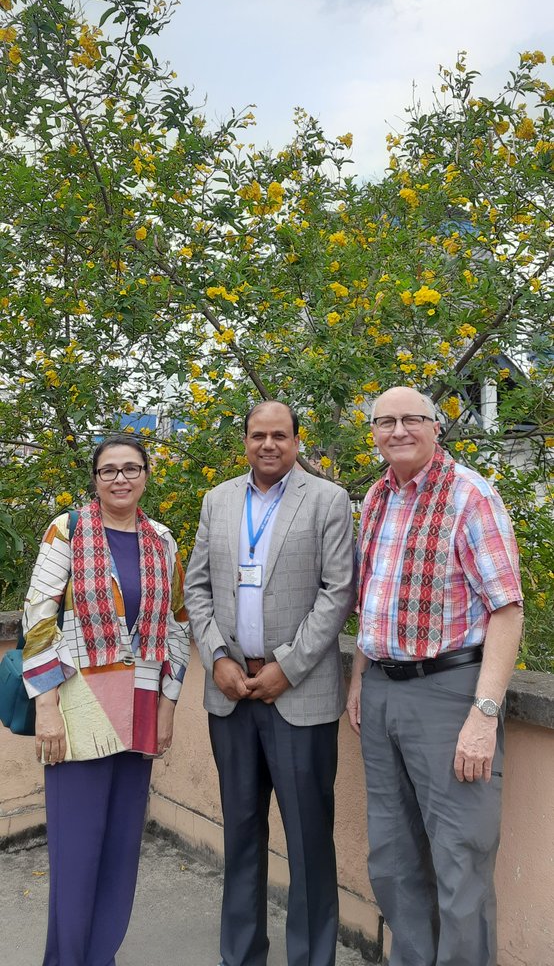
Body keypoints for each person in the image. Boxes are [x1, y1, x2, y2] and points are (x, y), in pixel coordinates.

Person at [346, 386, 523, 966]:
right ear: (373, 433)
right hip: (381, 693)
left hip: (449, 696)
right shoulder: (375, 498)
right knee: (394, 861)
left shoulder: (471, 497)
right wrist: (358, 679)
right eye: (384, 422)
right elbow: (371, 601)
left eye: (411, 420)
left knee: (459, 861)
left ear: (436, 427)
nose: (397, 431)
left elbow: (506, 609)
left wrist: (485, 713)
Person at [185, 400, 355, 966]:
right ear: (246, 441)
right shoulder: (219, 499)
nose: (268, 445)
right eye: (258, 435)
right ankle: (241, 957)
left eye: (279, 435)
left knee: (309, 844)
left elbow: (338, 594)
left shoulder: (328, 500)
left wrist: (288, 666)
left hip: (298, 695)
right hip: (230, 693)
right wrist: (216, 658)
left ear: (296, 441)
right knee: (241, 836)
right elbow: (198, 588)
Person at [22, 433, 190, 966]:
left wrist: (168, 706)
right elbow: (38, 617)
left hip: (139, 708)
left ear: (146, 475)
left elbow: (177, 626)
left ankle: (101, 956)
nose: (121, 478)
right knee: (76, 853)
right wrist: (45, 706)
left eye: (131, 468)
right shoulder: (67, 531)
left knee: (120, 851)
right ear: (95, 479)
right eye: (109, 470)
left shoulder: (163, 540)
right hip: (77, 710)